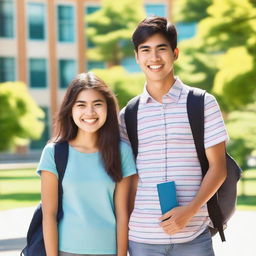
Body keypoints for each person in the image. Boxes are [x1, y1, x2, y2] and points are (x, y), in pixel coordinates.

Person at [119, 16, 228, 256]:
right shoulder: (128, 114)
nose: (154, 58)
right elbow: (128, 180)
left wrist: (190, 210)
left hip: (193, 237)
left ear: (175, 53)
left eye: (161, 49)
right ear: (137, 57)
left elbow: (218, 168)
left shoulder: (202, 103)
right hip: (141, 239)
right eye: (145, 50)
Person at [37, 72, 136, 256]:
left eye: (97, 104)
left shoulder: (121, 151)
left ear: (107, 107)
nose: (90, 113)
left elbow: (123, 213)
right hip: (66, 250)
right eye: (81, 105)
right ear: (70, 109)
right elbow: (49, 215)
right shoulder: (53, 153)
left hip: (108, 250)